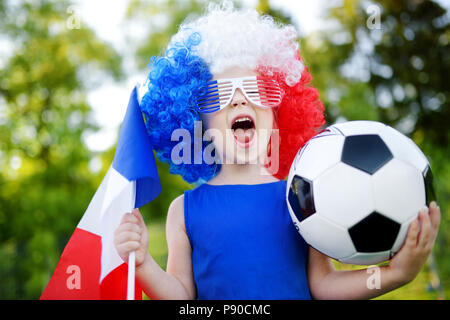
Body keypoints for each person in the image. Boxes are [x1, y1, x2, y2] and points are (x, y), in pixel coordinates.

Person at [113, 2, 441, 299]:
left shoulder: (304, 196)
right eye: (218, 95)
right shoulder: (183, 210)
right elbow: (181, 296)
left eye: (257, 90)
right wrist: (142, 264)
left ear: (278, 113)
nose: (239, 100)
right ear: (195, 123)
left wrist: (394, 274)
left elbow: (323, 286)